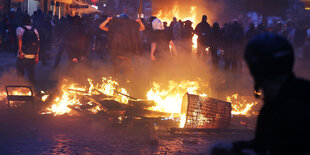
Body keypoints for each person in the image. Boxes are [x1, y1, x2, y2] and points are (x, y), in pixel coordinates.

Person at [211, 33, 310, 155]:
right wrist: (233, 147)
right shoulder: (274, 102)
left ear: (257, 69)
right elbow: (262, 144)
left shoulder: (293, 106)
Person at [99, 13, 145, 79]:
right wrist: (140, 22)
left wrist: (107, 20)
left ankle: (116, 86)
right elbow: (143, 28)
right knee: (128, 75)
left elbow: (101, 26)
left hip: (117, 56)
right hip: (127, 56)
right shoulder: (131, 30)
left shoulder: (114, 29)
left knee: (115, 75)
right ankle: (127, 86)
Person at [16, 15, 40, 86]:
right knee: (31, 75)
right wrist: (37, 56)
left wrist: (20, 52)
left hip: (22, 56)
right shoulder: (35, 30)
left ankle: (20, 90)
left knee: (20, 74)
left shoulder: (19, 29)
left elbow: (19, 40)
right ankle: (32, 92)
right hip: (32, 56)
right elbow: (38, 44)